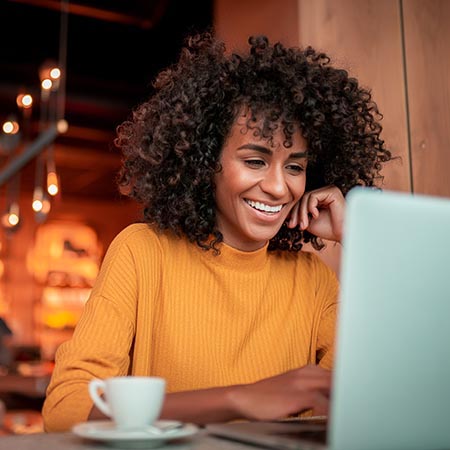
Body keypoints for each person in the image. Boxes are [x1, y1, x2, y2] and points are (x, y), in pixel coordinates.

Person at [42, 33, 391, 432]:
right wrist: (236, 398)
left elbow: (379, 394)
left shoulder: (313, 282)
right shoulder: (143, 253)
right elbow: (65, 409)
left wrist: (358, 243)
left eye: (294, 167)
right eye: (255, 160)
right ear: (206, 161)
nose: (280, 187)